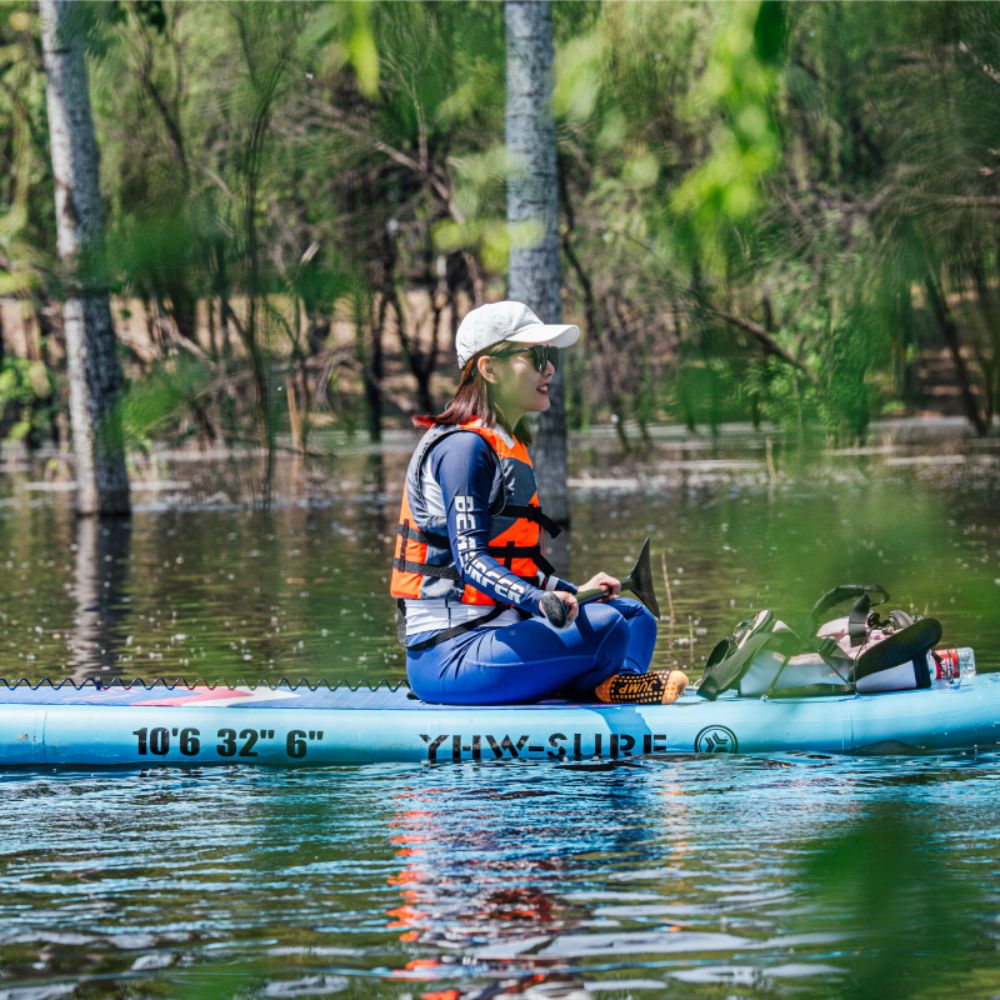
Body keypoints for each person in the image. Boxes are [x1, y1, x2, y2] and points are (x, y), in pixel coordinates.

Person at [390, 300, 688, 706]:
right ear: (489, 369)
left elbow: (517, 565)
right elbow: (471, 562)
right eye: (535, 357)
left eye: (551, 357)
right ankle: (601, 685)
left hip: (502, 634)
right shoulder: (463, 449)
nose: (549, 369)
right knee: (610, 628)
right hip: (450, 654)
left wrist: (575, 591)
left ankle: (613, 687)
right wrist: (538, 601)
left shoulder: (504, 444)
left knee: (634, 617)